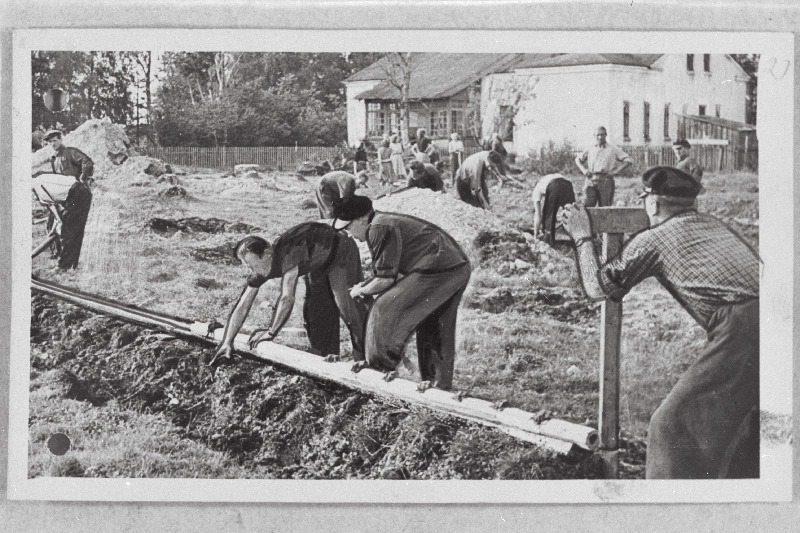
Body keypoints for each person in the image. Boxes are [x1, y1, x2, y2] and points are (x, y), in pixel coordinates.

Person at [559, 166, 760, 479]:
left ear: (651, 204)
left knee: (671, 425)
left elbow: (598, 289)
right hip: (781, 315)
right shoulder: (712, 225)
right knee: (747, 425)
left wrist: (583, 236)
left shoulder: (655, 239)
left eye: (644, 200)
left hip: (744, 327)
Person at [332, 195, 472, 391]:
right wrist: (366, 286)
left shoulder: (378, 227)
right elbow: (388, 273)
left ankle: (377, 373)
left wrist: (360, 290)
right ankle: (437, 387)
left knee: (384, 308)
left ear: (361, 219)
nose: (348, 233)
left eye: (348, 227)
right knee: (431, 323)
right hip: (454, 266)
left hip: (441, 269)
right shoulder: (380, 223)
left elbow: (385, 280)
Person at [210, 223, 369, 367]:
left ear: (267, 254)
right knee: (316, 311)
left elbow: (287, 298)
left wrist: (271, 332)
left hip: (340, 249)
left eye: (252, 265)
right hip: (317, 259)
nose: (252, 271)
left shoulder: (288, 255)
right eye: (248, 267)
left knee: (346, 305)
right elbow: (242, 306)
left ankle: (365, 360)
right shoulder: (263, 265)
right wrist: (227, 341)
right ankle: (325, 361)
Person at [43, 129, 94, 270]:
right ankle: (67, 261)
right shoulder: (54, 160)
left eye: (55, 140)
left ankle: (64, 266)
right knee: (54, 225)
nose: (53, 144)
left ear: (61, 139)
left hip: (79, 195)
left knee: (69, 229)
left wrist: (82, 178)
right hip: (66, 198)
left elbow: (87, 162)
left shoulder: (70, 152)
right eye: (50, 142)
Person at [574, 126, 633, 207]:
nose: (600, 137)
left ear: (606, 135)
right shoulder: (590, 148)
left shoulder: (612, 148)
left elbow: (628, 160)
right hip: (591, 180)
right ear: (594, 136)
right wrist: (584, 170)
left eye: (602, 135)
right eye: (598, 135)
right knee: (587, 206)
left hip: (606, 180)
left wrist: (615, 171)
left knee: (605, 208)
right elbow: (578, 160)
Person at [531, 173, 576, 245]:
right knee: (572, 211)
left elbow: (538, 215)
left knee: (548, 215)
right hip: (568, 184)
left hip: (555, 186)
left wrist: (535, 233)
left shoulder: (536, 190)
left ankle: (548, 240)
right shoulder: (547, 178)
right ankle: (576, 238)